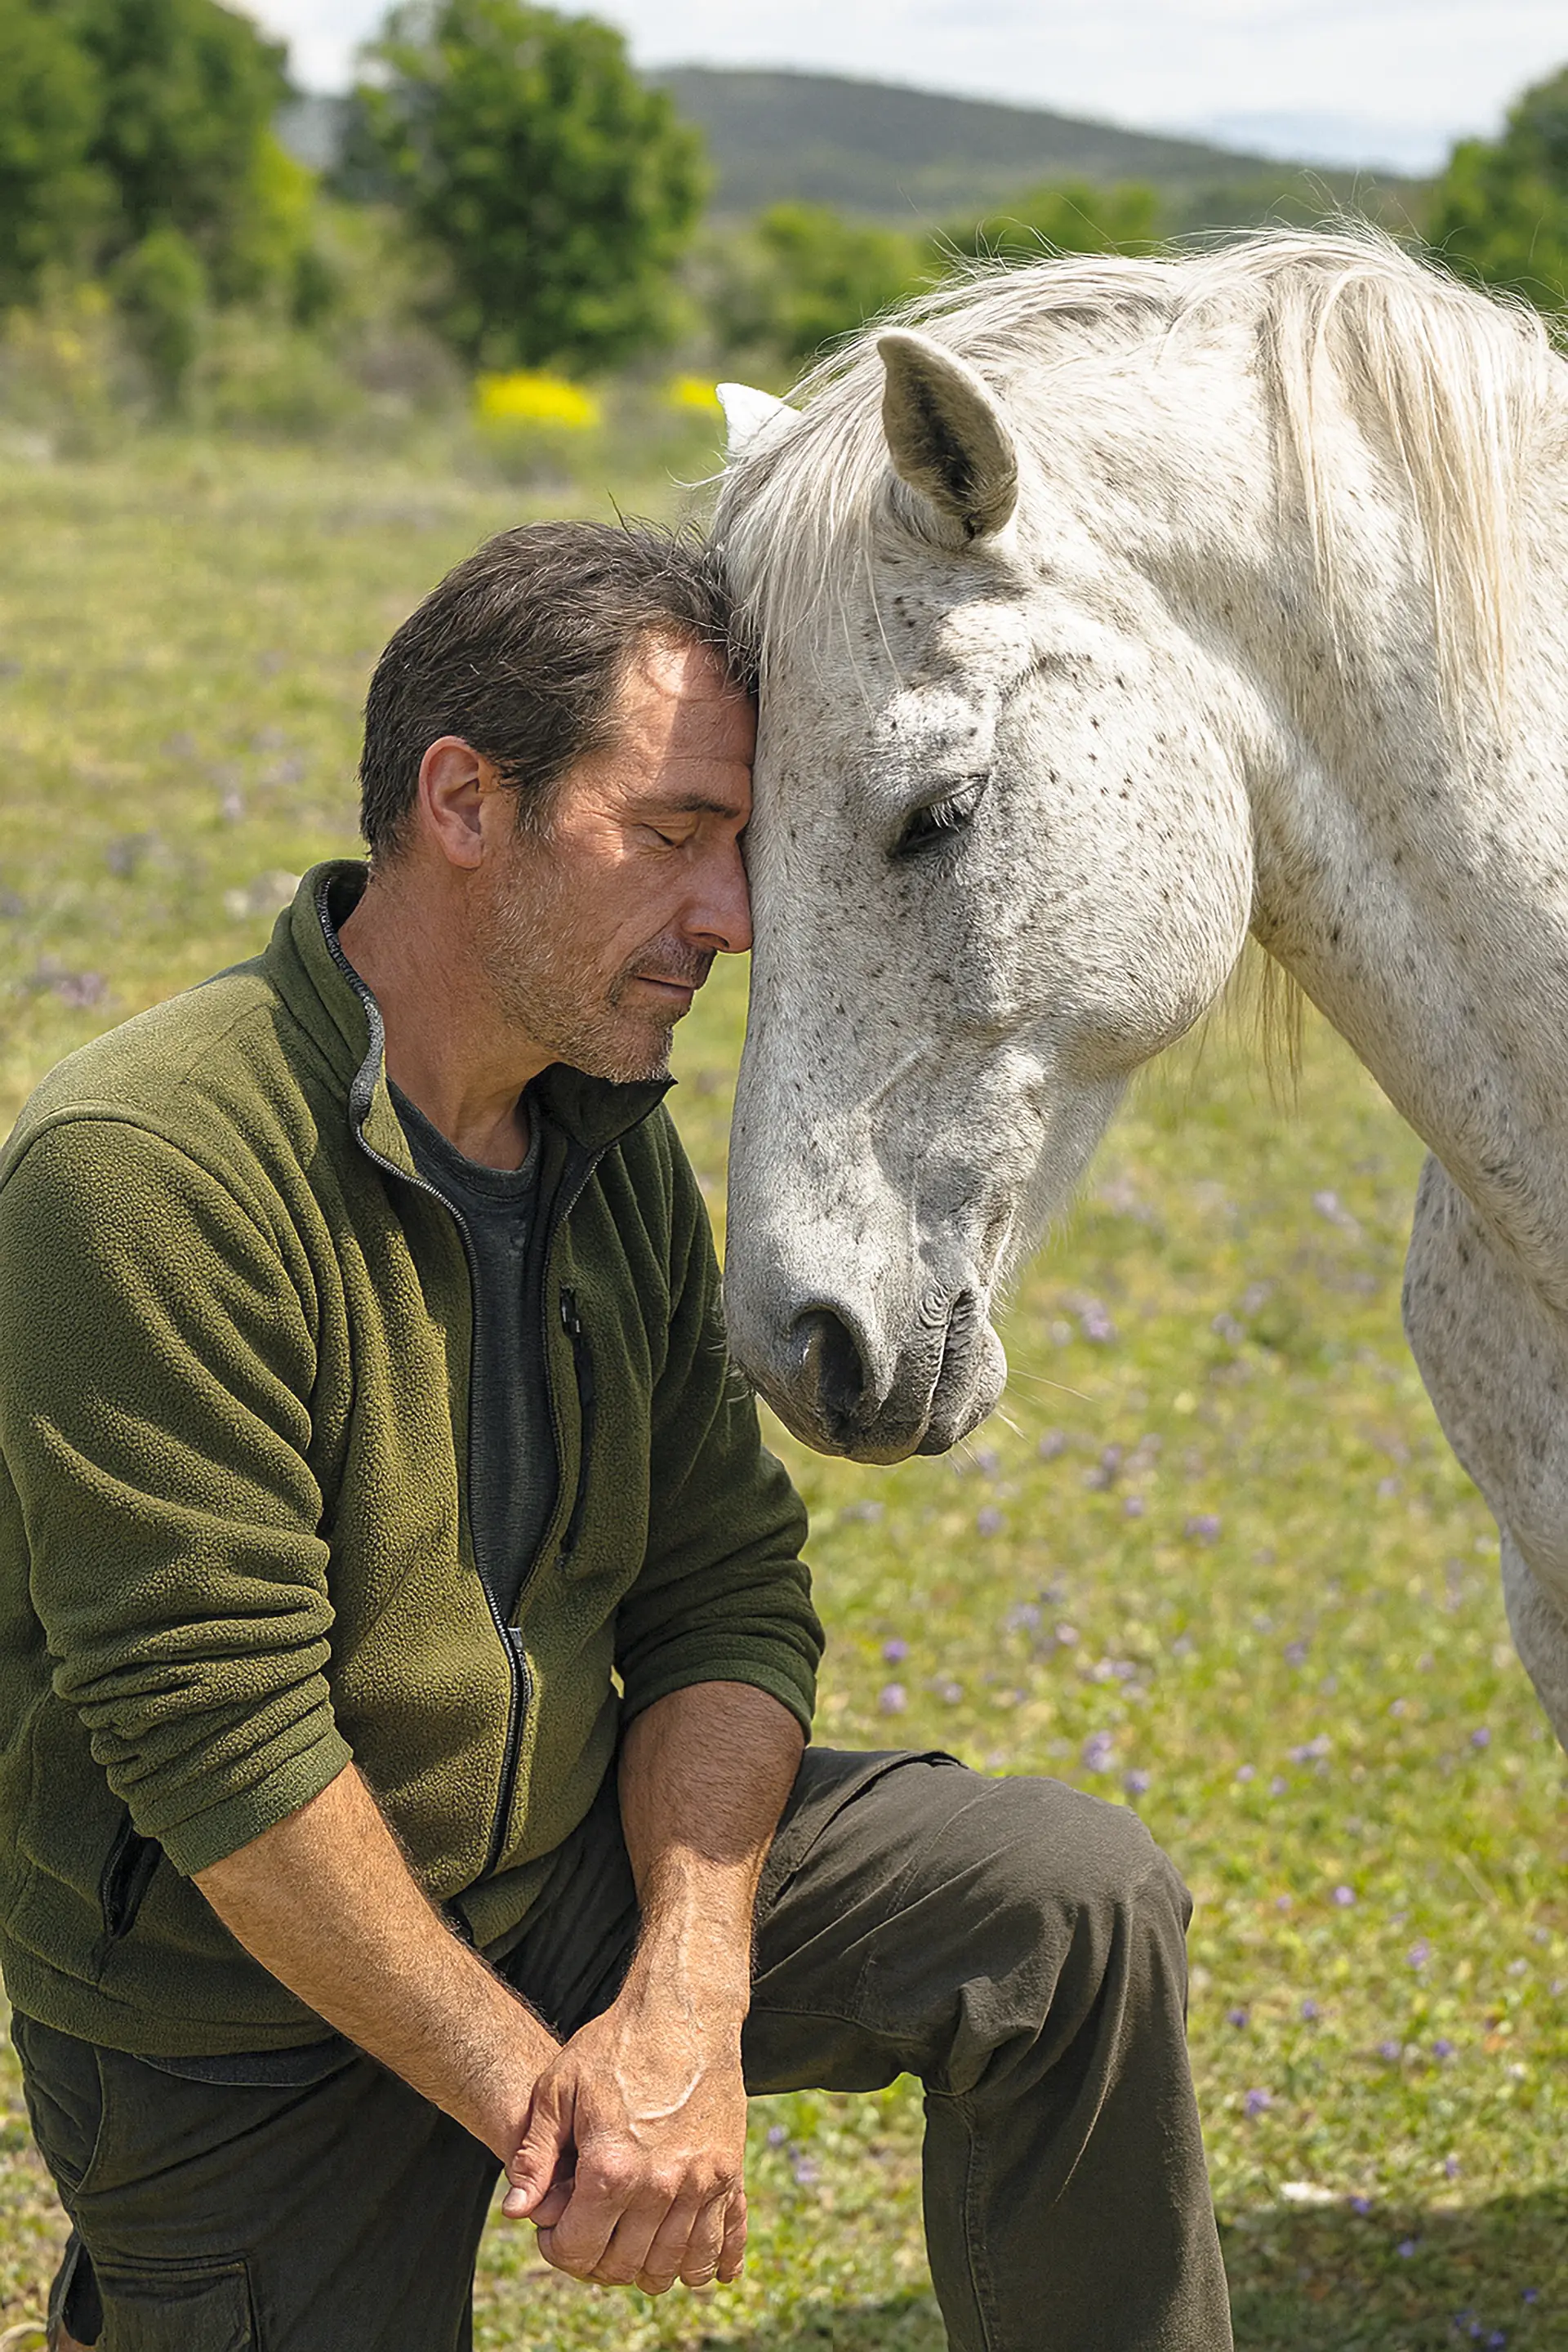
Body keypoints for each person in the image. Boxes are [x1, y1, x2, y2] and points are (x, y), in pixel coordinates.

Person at [0, 521, 1233, 2352]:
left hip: (565, 1871)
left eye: (737, 846)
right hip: (247, 2003)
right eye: (670, 835)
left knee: (1062, 1908)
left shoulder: (606, 1139)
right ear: (463, 802)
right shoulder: (143, 1171)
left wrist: (684, 1991)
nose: (730, 916)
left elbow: (721, 1591)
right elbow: (218, 1747)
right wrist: (550, 2101)